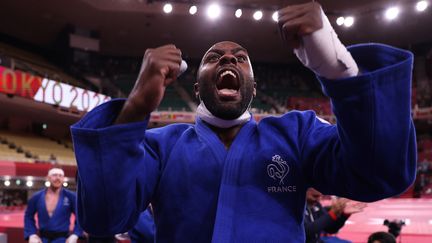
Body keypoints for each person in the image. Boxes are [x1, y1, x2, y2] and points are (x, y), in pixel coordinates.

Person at [71, 2, 416, 242]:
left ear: (254, 87)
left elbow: (380, 174)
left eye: (240, 58)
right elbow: (103, 219)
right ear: (195, 85)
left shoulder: (297, 133)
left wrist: (339, 67)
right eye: (213, 57)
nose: (227, 59)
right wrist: (134, 108)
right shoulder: (160, 146)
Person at [24, 168, 83, 243]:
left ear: (63, 178)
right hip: (42, 239)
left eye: (60, 176)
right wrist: (32, 234)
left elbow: (80, 216)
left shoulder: (71, 196)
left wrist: (75, 235)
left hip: (63, 239)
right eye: (54, 175)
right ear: (48, 177)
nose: (58, 178)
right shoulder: (37, 197)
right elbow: (28, 216)